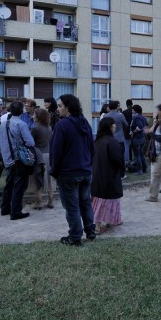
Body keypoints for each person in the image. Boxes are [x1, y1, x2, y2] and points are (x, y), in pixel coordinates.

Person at [49, 94, 96, 246]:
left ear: (68, 108)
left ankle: (75, 237)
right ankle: (90, 231)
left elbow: (55, 152)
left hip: (69, 173)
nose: (58, 109)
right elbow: (92, 148)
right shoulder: (85, 123)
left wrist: (54, 172)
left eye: (60, 106)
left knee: (72, 206)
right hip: (85, 171)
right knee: (85, 203)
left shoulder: (62, 125)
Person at [0, 101, 34, 220]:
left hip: (7, 159)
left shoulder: (2, 125)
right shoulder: (21, 124)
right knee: (19, 186)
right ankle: (16, 212)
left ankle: (5, 209)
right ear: (22, 111)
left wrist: (6, 154)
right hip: (19, 160)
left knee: (9, 185)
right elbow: (30, 142)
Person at [91, 117, 124, 234]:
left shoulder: (97, 141)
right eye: (113, 125)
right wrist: (121, 169)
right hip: (109, 174)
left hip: (97, 174)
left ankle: (111, 220)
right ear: (109, 127)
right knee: (107, 199)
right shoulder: (111, 141)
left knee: (101, 199)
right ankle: (98, 226)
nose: (115, 127)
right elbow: (117, 159)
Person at [30, 107, 54, 209]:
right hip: (49, 155)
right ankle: (51, 201)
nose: (33, 116)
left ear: (39, 117)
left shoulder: (35, 128)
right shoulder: (49, 127)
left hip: (39, 155)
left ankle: (38, 202)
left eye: (35, 114)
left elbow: (30, 143)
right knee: (50, 179)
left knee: (38, 178)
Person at [105, 100, 129, 176]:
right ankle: (122, 173)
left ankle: (111, 172)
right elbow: (126, 125)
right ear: (116, 107)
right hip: (119, 139)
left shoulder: (105, 116)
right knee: (121, 156)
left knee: (110, 156)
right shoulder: (120, 115)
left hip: (109, 138)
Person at [130, 104, 148, 174]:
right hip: (142, 138)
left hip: (137, 138)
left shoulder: (136, 117)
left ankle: (139, 170)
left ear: (135, 110)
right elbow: (145, 126)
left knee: (137, 155)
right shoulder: (142, 117)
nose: (132, 111)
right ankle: (144, 169)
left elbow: (139, 126)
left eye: (132, 110)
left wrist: (133, 132)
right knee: (141, 154)